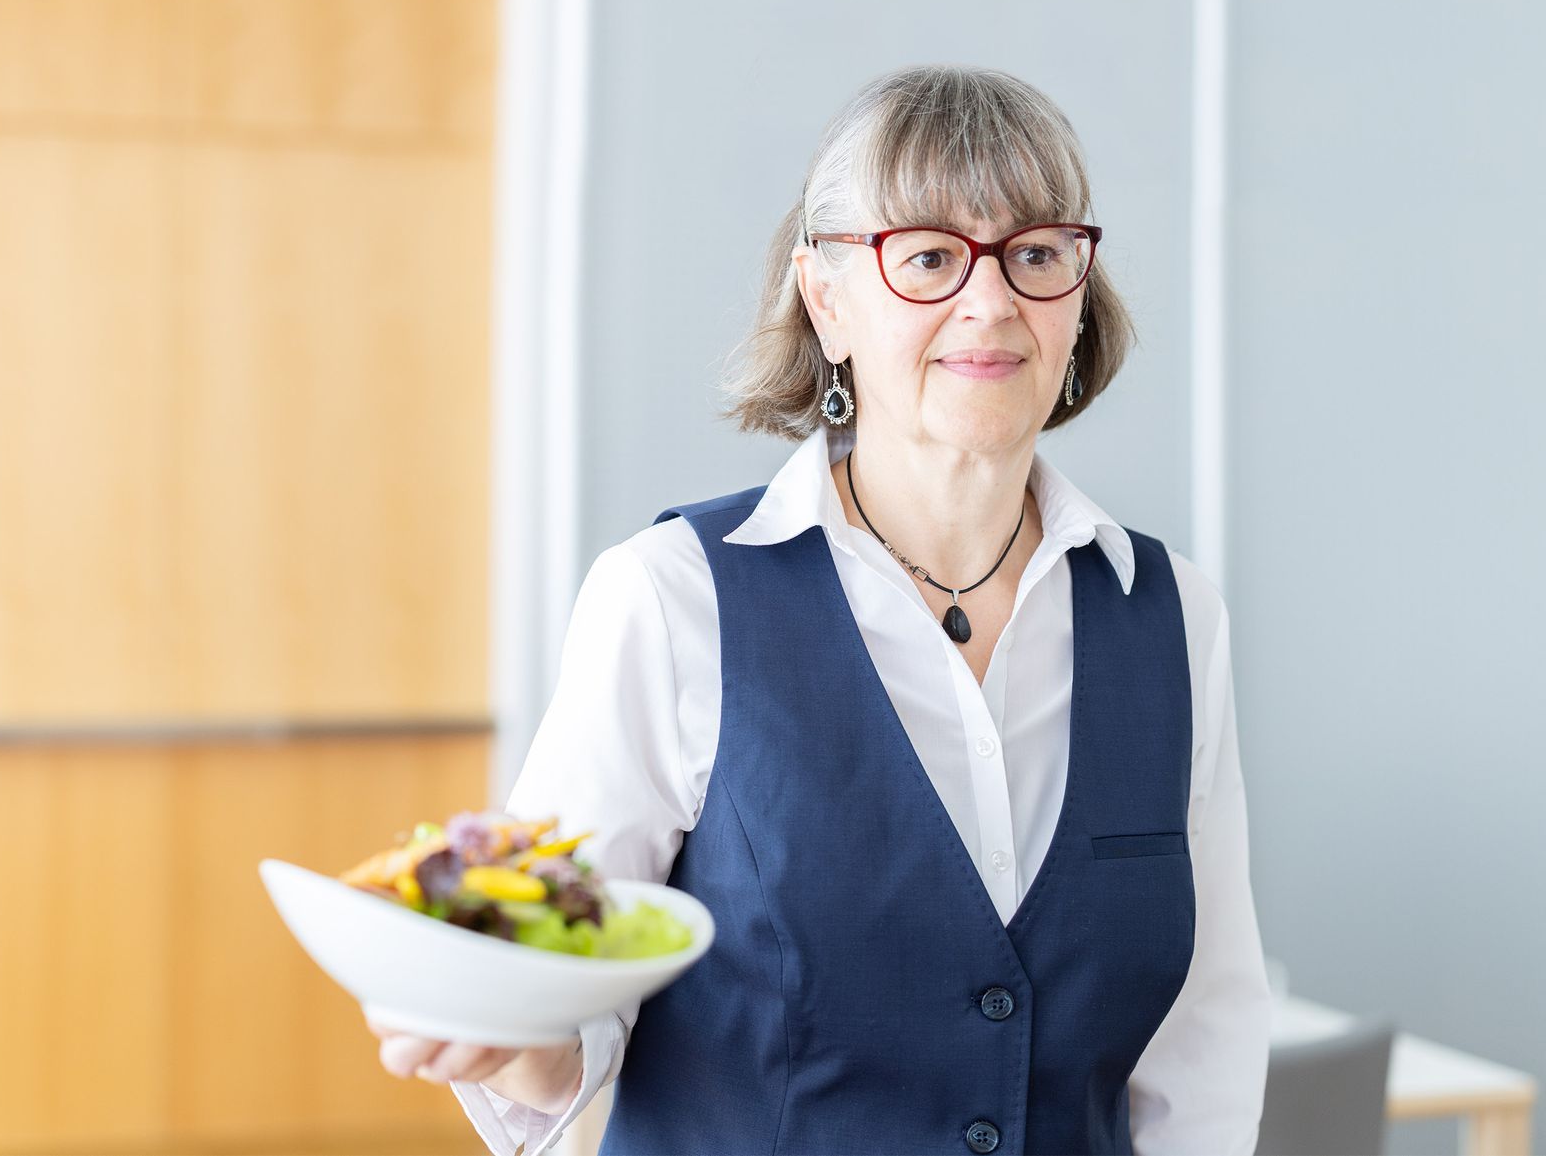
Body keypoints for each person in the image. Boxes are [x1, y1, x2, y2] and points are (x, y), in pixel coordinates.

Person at [368, 64, 1270, 1155]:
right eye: (928, 257)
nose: (991, 303)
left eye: (1036, 255)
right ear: (826, 300)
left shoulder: (1171, 618)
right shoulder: (673, 600)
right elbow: (566, 1022)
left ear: (1078, 297)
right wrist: (504, 1028)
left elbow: (1202, 1053)